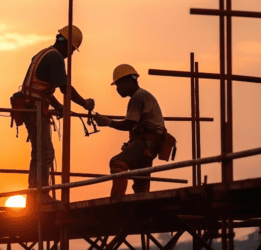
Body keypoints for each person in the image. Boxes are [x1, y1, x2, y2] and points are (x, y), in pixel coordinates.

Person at [18, 25, 94, 203]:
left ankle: (34, 194)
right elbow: (64, 87)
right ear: (67, 45)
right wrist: (85, 103)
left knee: (39, 153)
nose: (71, 55)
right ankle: (41, 195)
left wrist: (59, 107)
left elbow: (42, 89)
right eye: (73, 50)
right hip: (35, 108)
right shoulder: (56, 57)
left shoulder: (44, 53)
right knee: (45, 153)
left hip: (32, 106)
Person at [93, 64, 165, 197]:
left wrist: (107, 122)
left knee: (117, 163)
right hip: (151, 143)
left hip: (145, 143)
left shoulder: (137, 98)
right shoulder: (143, 95)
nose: (117, 89)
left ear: (128, 81)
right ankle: (141, 205)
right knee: (140, 180)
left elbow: (129, 124)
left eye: (118, 85)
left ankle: (116, 201)